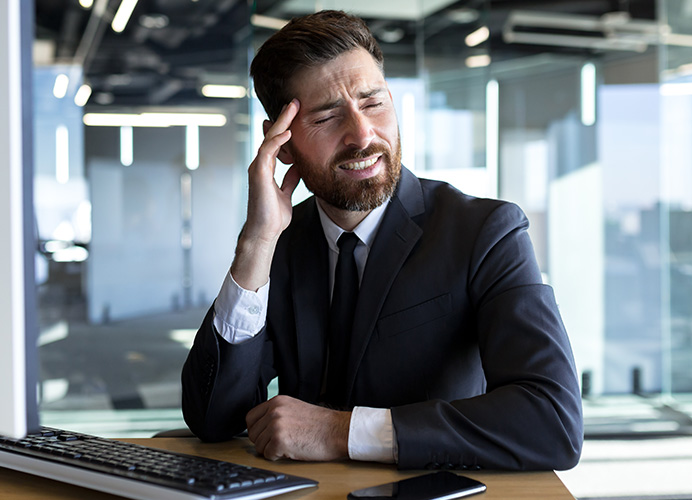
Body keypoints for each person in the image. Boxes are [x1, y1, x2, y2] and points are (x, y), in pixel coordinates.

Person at [181, 9, 583, 471]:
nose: (362, 135)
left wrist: (339, 431)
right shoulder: (280, 245)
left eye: (373, 103)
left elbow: (552, 420)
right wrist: (255, 243)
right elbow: (213, 419)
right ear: (283, 144)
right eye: (328, 117)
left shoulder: (485, 232)